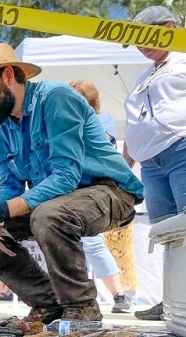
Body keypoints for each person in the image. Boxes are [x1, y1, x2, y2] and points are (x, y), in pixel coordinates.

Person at [0, 43, 144, 325]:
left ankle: (82, 308)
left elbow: (66, 176)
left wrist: (0, 210)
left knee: (48, 215)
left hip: (110, 191)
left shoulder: (56, 98)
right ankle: (47, 303)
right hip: (59, 200)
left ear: (8, 75)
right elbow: (10, 184)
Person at [123, 6, 186, 321]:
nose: (139, 45)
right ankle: (174, 300)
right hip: (151, 163)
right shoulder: (143, 76)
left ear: (169, 28)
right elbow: (134, 125)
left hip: (181, 150)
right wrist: (122, 169)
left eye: (143, 36)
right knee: (168, 234)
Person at [69, 79, 134, 313]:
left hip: (94, 189)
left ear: (90, 100)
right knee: (71, 245)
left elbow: (104, 142)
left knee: (92, 243)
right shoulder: (63, 122)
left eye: (77, 97)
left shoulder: (102, 119)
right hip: (69, 186)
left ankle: (118, 295)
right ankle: (80, 298)